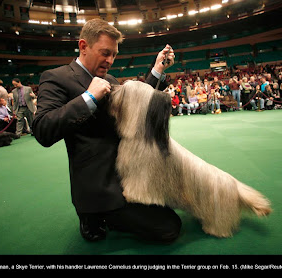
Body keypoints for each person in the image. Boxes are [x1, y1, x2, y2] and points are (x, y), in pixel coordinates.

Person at [32, 19, 181, 243]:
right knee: (168, 229)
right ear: (83, 46)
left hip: (129, 175)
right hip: (98, 187)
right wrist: (88, 98)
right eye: (104, 53)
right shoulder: (55, 77)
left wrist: (158, 68)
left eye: (113, 54)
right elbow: (43, 130)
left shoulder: (109, 79)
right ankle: (93, 215)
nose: (110, 60)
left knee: (171, 213)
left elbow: (137, 103)